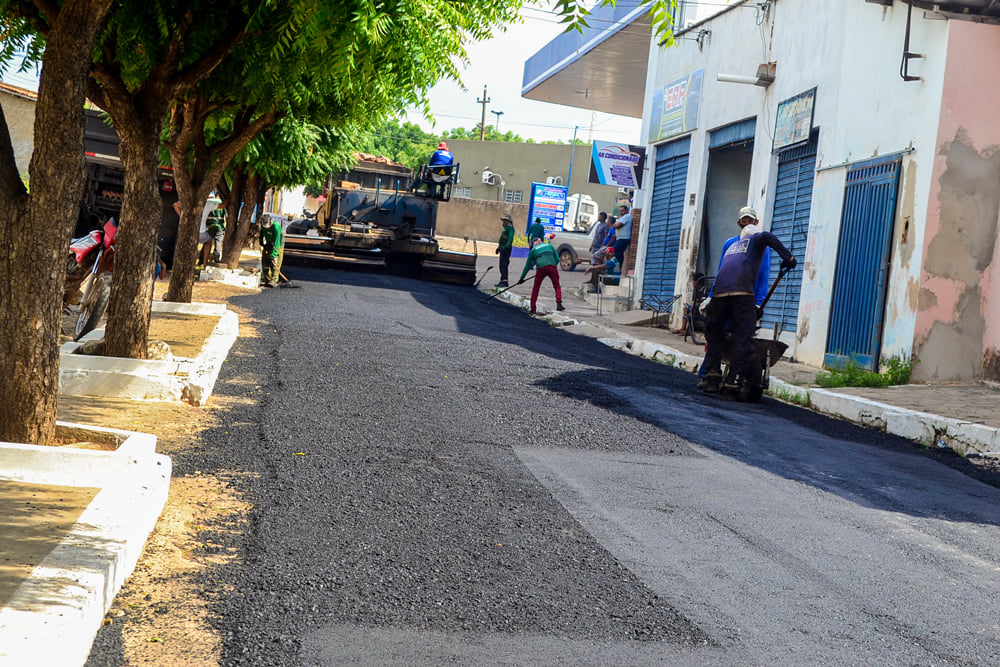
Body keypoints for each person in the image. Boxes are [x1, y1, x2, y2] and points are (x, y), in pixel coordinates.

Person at [697, 206, 796, 395]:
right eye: (745, 221)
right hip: (742, 293)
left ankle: (712, 377)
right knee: (743, 338)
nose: (748, 224)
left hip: (720, 295)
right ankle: (734, 381)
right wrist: (788, 257)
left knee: (715, 334)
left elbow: (724, 272)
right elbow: (766, 237)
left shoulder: (733, 246)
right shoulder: (756, 239)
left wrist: (711, 298)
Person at [517, 237, 565, 315]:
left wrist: (522, 278)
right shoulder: (549, 246)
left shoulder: (533, 250)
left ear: (533, 244)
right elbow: (557, 259)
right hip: (552, 267)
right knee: (557, 285)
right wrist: (552, 265)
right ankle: (559, 303)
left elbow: (527, 266)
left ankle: (533, 309)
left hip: (540, 269)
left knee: (536, 288)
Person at [259, 214, 285, 288]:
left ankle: (273, 280)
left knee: (275, 262)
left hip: (278, 244)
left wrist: (273, 255)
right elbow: (261, 233)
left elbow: (277, 243)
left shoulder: (276, 227)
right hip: (269, 242)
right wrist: (261, 242)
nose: (267, 228)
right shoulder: (262, 225)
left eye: (268, 226)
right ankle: (267, 280)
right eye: (265, 227)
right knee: (265, 261)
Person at [205, 196, 227, 264]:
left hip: (209, 226)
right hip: (219, 227)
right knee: (218, 243)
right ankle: (216, 258)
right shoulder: (222, 204)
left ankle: (203, 259)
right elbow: (226, 216)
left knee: (207, 243)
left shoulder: (208, 202)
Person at [495, 212, 515, 287]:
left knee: (504, 265)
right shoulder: (505, 228)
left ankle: (505, 281)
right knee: (501, 265)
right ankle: (502, 280)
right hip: (502, 248)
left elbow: (510, 238)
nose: (503, 222)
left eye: (505, 220)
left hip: (506, 249)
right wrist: (499, 248)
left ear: (508, 221)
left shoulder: (510, 228)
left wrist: (506, 246)